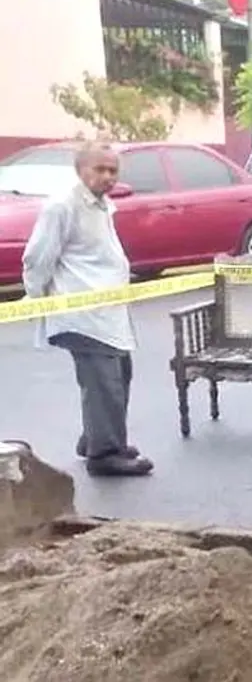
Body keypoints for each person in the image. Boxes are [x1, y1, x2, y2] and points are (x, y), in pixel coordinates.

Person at [22, 142, 153, 477]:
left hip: (107, 313)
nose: (108, 177)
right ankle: (104, 455)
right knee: (104, 382)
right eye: (100, 169)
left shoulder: (102, 205)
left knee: (120, 376)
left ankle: (97, 438)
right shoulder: (62, 206)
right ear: (81, 170)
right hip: (82, 313)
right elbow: (38, 258)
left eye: (113, 170)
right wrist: (37, 297)